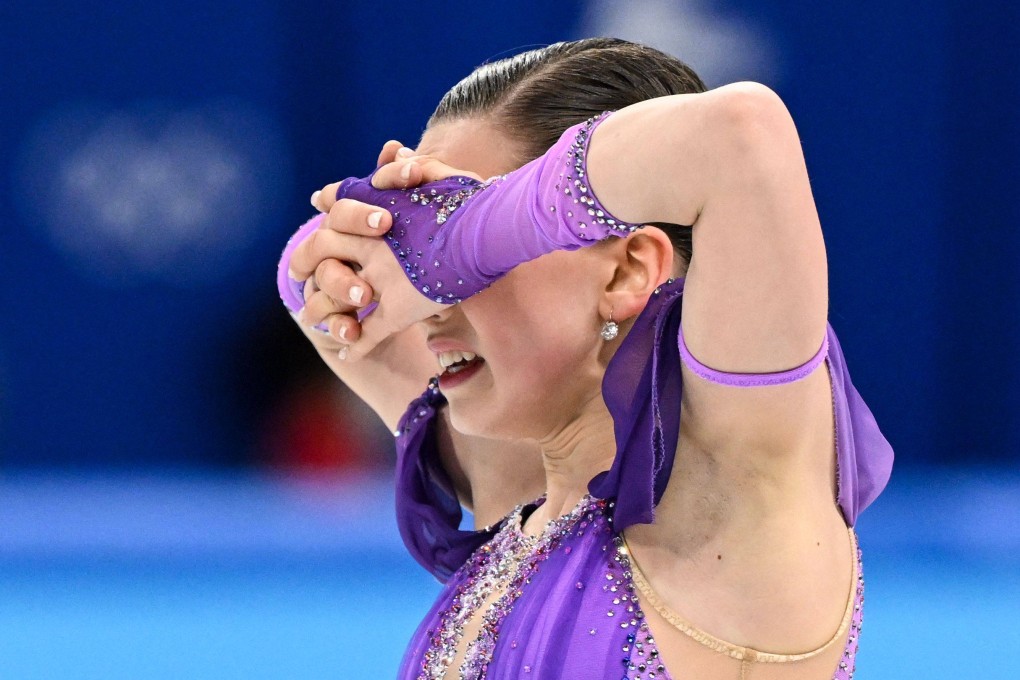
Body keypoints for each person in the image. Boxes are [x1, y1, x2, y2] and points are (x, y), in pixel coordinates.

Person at [277, 38, 893, 680]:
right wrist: (387, 229)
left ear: (626, 269)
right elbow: (313, 290)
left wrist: (461, 233)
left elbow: (739, 134)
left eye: (463, 258)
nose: (432, 300)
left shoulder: (726, 487)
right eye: (432, 260)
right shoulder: (518, 482)